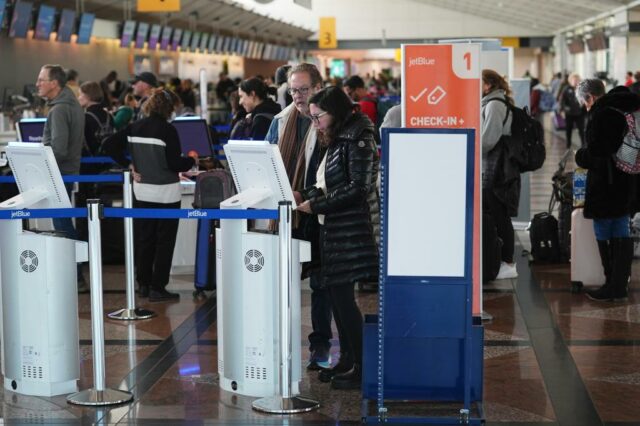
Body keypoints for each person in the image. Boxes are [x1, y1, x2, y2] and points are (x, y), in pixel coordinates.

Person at [295, 86, 379, 390]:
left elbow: (359, 188)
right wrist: (305, 196)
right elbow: (327, 183)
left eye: (319, 117)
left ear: (336, 112)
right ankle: (348, 360)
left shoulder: (358, 137)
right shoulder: (337, 136)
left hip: (350, 232)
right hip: (333, 229)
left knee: (344, 302)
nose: (315, 123)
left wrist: (315, 204)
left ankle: (362, 369)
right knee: (336, 298)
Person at [265, 63, 334, 370]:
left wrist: (309, 196)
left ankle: (320, 348)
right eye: (293, 89)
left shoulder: (331, 123)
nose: (298, 96)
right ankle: (281, 344)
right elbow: (268, 160)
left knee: (321, 284)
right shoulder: (280, 122)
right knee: (285, 282)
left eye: (304, 89)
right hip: (288, 213)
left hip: (317, 213)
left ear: (319, 87)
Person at [103, 89, 198, 302]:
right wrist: (191, 159)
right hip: (167, 194)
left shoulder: (135, 128)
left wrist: (129, 165)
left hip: (142, 191)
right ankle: (158, 287)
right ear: (169, 108)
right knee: (164, 241)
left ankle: (143, 284)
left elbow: (108, 145)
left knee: (145, 239)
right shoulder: (168, 130)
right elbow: (174, 163)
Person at [574, 80, 639, 302]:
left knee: (603, 227)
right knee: (621, 226)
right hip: (628, 179)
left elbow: (599, 152)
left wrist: (580, 156)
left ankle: (613, 284)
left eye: (584, 101)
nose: (585, 106)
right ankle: (620, 283)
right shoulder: (626, 105)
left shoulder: (603, 113)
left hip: (607, 183)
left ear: (590, 97)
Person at [37, 64, 86, 288]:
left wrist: (38, 163)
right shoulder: (71, 104)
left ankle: (74, 273)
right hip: (67, 172)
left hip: (59, 174)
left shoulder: (58, 110)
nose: (37, 84)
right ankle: (74, 272)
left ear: (54, 84)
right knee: (63, 222)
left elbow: (59, 149)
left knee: (62, 224)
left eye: (41, 80)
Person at [481, 69, 519, 280]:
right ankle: (497, 259)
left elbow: (489, 140)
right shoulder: (490, 103)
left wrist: (468, 147)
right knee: (493, 215)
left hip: (498, 171)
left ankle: (507, 262)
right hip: (493, 169)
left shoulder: (495, 105)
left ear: (488, 85)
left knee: (499, 215)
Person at [77, 81, 114, 157]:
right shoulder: (109, 116)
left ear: (87, 96)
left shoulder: (84, 117)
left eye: (80, 94)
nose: (78, 98)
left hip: (89, 163)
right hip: (107, 161)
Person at [559, 73, 586, 148]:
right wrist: (563, 110)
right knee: (568, 129)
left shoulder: (582, 89)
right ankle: (568, 144)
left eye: (577, 80)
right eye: (574, 80)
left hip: (580, 113)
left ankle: (583, 145)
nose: (575, 82)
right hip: (569, 113)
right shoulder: (566, 89)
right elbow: (562, 101)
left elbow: (586, 99)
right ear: (570, 81)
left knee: (581, 129)